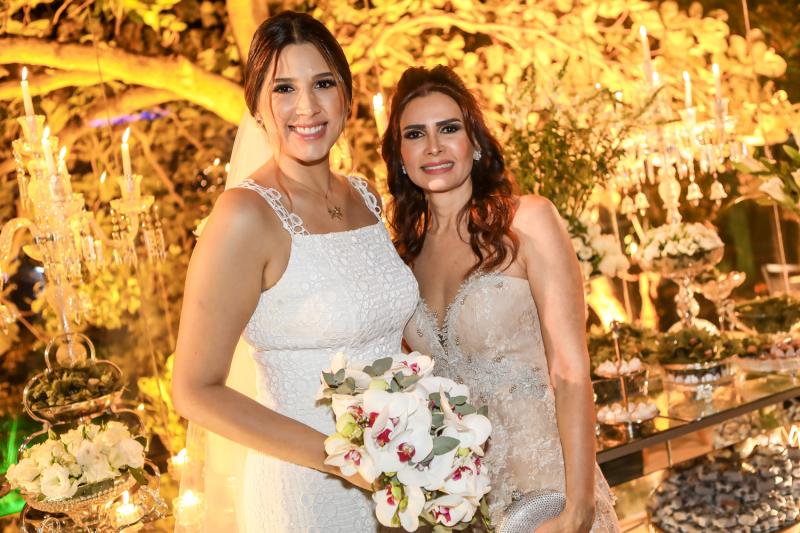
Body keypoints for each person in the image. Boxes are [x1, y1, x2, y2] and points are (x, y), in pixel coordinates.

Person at [171, 11, 418, 532]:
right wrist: (345, 461)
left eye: (323, 83)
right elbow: (194, 390)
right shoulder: (244, 215)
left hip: (400, 478)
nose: (307, 106)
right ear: (257, 106)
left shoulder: (365, 196)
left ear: (346, 97)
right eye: (284, 88)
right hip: (309, 493)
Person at [383, 65, 620, 532]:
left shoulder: (527, 222)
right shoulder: (402, 261)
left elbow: (571, 371)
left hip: (550, 493)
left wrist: (579, 508)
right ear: (401, 157)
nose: (434, 146)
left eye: (449, 128)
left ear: (474, 142)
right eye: (415, 134)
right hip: (464, 507)